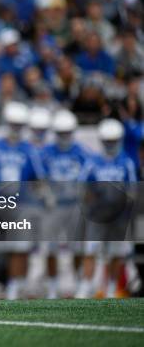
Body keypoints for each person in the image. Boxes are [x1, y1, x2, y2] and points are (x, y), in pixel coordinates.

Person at [0, 101, 45, 300]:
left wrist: (40, 198)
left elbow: (39, 179)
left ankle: (15, 286)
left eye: (19, 124)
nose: (16, 128)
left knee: (19, 247)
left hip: (20, 204)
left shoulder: (29, 150)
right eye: (13, 124)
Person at [75, 119, 137, 298]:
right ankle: (86, 286)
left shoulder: (127, 162)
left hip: (119, 216)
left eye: (113, 140)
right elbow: (82, 186)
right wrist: (91, 201)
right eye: (107, 141)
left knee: (116, 253)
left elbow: (133, 190)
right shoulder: (93, 161)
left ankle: (111, 287)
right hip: (97, 215)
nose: (110, 144)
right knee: (91, 250)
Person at [40, 109, 89, 298]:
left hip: (75, 205)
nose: (64, 137)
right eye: (61, 133)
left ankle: (77, 281)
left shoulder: (82, 152)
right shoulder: (46, 152)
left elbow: (91, 178)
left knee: (77, 246)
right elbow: (38, 177)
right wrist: (45, 195)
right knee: (50, 247)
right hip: (53, 206)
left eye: (67, 132)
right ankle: (52, 286)